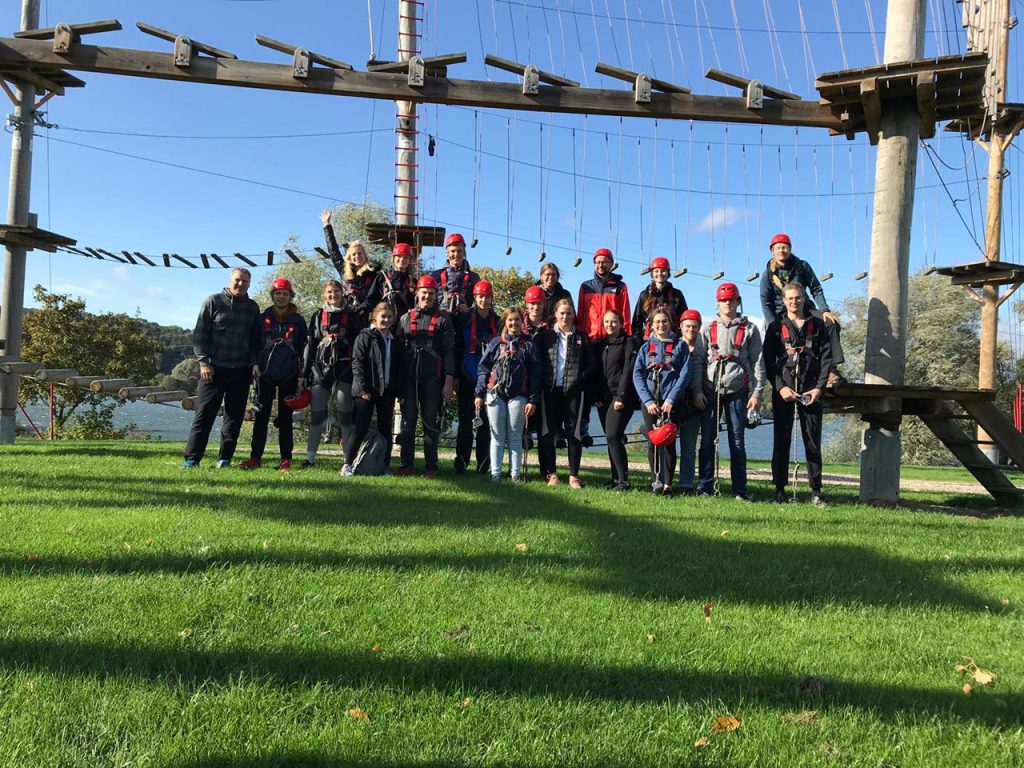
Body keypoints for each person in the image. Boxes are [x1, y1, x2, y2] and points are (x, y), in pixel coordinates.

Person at [183, 268, 262, 469]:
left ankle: (224, 458)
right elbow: (199, 335)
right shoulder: (213, 301)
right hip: (214, 370)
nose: (241, 284)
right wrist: (204, 362)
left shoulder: (253, 308)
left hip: (241, 371)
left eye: (245, 281)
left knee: (233, 419)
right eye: (238, 280)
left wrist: (253, 363)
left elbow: (255, 341)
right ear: (230, 280)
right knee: (204, 415)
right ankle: (192, 459)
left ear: (249, 284)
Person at [763, 282, 833, 506]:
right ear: (784, 301)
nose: (794, 302)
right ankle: (780, 490)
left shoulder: (818, 326)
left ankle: (816, 491)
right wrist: (780, 387)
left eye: (798, 298)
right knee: (781, 441)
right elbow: (769, 362)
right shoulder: (775, 327)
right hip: (784, 390)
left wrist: (819, 388)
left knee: (812, 442)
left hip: (811, 390)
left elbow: (826, 359)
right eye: (790, 298)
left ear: (804, 299)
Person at [697, 282, 765, 500]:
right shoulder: (708, 328)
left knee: (737, 441)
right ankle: (705, 487)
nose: (727, 303)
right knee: (707, 439)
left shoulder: (749, 329)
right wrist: (696, 389)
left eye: (731, 300)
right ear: (718, 303)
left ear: (738, 301)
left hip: (738, 389)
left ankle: (739, 490)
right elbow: (698, 360)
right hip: (711, 388)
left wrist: (757, 393)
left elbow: (757, 362)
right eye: (723, 300)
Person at [758, 233, 845, 385]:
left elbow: (816, 288)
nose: (781, 251)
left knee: (830, 323)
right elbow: (766, 301)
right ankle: (778, 373)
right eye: (778, 248)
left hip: (804, 308)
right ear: (772, 251)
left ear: (790, 249)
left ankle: (831, 368)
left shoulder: (802, 267)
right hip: (780, 312)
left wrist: (824, 309)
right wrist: (773, 322)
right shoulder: (768, 275)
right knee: (772, 334)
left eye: (784, 247)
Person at [241, 278, 309, 471]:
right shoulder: (263, 319)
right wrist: (253, 363)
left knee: (286, 419)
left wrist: (303, 374)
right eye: (278, 293)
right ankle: (255, 457)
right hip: (265, 374)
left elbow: (305, 348)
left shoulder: (298, 321)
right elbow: (253, 344)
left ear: (290, 296)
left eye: (285, 294)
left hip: (289, 374)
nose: (281, 297)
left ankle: (286, 459)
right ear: (273, 296)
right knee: (261, 418)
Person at [396, 275, 456, 478]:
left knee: (431, 423)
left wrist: (448, 382)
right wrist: (398, 386)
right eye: (424, 293)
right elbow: (397, 352)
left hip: (433, 379)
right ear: (417, 293)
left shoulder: (443, 320)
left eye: (431, 293)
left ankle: (431, 466)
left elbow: (449, 351)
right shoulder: (405, 318)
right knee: (408, 422)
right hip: (408, 379)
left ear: (435, 295)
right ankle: (406, 464)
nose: (427, 296)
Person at [300, 279, 364, 468]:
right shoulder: (318, 315)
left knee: (345, 416)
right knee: (317, 415)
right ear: (324, 294)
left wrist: (359, 373)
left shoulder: (352, 316)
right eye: (329, 292)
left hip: (345, 369)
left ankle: (347, 462)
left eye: (336, 291)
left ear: (342, 293)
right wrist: (303, 373)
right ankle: (310, 459)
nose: (333, 295)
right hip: (320, 370)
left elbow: (360, 345)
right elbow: (309, 345)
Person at [474, 306, 542, 482]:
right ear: (505, 321)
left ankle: (515, 474)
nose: (514, 323)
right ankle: (495, 473)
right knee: (496, 435)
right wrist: (479, 393)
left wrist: (533, 399)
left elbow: (536, 374)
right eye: (510, 320)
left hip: (519, 395)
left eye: (517, 319)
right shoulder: (496, 343)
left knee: (514, 435)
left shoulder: (529, 345)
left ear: (522, 321)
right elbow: (483, 368)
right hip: (495, 393)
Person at [344, 302, 406, 476]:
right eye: (383, 317)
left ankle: (385, 465)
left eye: (389, 317)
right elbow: (357, 364)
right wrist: (363, 389)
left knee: (385, 428)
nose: (386, 320)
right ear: (374, 317)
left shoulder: (395, 341)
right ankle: (347, 463)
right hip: (366, 390)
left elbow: (398, 368)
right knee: (360, 427)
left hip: (386, 390)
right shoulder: (365, 337)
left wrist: (399, 392)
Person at [633, 308, 690, 495]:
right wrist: (648, 400)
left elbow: (684, 374)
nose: (661, 325)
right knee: (653, 442)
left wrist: (672, 399)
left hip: (670, 402)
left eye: (664, 321)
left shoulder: (680, 347)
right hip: (651, 402)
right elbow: (637, 375)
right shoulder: (645, 348)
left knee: (668, 441)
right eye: (657, 322)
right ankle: (655, 481)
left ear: (670, 323)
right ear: (652, 325)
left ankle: (667, 484)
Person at [537, 298, 592, 488]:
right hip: (550, 390)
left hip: (574, 392)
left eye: (569, 313)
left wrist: (579, 378)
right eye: (562, 313)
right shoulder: (545, 336)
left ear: (574, 314)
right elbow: (537, 362)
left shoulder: (582, 337)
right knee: (548, 432)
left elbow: (592, 365)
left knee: (573, 433)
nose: (565, 316)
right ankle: (551, 474)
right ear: (555, 314)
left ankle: (574, 476)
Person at [453, 280, 500, 474]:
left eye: (487, 296)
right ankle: (461, 463)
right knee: (465, 423)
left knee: (486, 426)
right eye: (481, 296)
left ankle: (483, 465)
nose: (484, 300)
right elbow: (456, 349)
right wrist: (455, 375)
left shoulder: (497, 322)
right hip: (466, 377)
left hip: (490, 380)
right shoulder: (463, 319)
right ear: (475, 297)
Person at [590, 309, 639, 491]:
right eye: (607, 322)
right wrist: (595, 396)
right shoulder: (601, 344)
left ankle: (624, 481)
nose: (610, 325)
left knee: (613, 435)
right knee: (611, 438)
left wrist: (621, 396)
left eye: (614, 321)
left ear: (621, 323)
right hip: (604, 398)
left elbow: (628, 370)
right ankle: (615, 479)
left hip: (621, 397)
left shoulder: (628, 343)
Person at [321, 210, 378, 320]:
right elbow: (333, 251)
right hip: (346, 316)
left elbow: (374, 297)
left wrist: (361, 308)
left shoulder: (373, 273)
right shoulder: (344, 270)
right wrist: (327, 226)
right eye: (354, 254)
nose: (357, 256)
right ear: (350, 257)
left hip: (366, 316)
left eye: (359, 253)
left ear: (365, 256)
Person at [676, 309, 709, 495]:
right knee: (666, 444)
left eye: (695, 326)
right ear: (681, 327)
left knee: (689, 446)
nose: (691, 329)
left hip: (695, 402)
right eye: (688, 326)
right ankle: (663, 481)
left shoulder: (704, 348)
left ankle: (686, 484)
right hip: (676, 402)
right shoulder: (673, 346)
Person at [577, 247, 632, 338]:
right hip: (590, 338)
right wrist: (579, 334)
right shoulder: (585, 287)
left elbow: (625, 314)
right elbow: (580, 314)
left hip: (613, 337)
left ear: (611, 264)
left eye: (604, 262)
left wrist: (627, 336)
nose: (601, 265)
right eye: (598, 262)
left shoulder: (620, 287)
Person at [631, 257, 687, 339]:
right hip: (650, 342)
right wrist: (637, 342)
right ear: (652, 274)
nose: (660, 274)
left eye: (663, 271)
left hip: (673, 340)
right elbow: (637, 320)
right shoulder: (645, 295)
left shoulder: (677, 295)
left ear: (668, 273)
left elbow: (684, 319)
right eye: (656, 271)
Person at [430, 232, 480, 315]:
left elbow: (480, 303)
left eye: (459, 251)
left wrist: (469, 310)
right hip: (441, 321)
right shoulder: (435, 276)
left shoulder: (474, 277)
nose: (456, 254)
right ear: (447, 253)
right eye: (453, 251)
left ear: (464, 253)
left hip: (465, 321)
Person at [368, 242, 416, 319]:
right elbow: (371, 300)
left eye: (405, 257)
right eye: (399, 256)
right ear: (393, 259)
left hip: (404, 323)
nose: (402, 260)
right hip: (384, 321)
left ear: (410, 261)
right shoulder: (382, 277)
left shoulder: (412, 282)